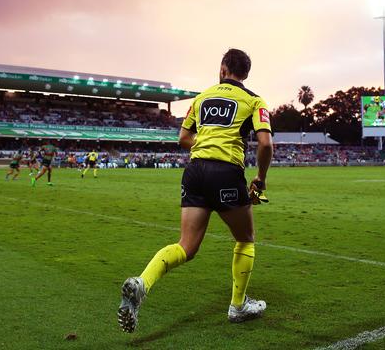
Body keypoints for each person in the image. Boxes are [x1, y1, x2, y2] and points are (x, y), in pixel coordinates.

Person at [117, 48, 273, 333]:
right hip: (226, 172)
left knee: (186, 246)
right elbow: (265, 144)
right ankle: (238, 306)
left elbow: (183, 137)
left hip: (195, 171)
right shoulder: (254, 100)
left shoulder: (202, 98)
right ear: (245, 73)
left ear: (223, 69)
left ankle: (142, 283)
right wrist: (260, 178)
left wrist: (205, 146)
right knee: (246, 239)